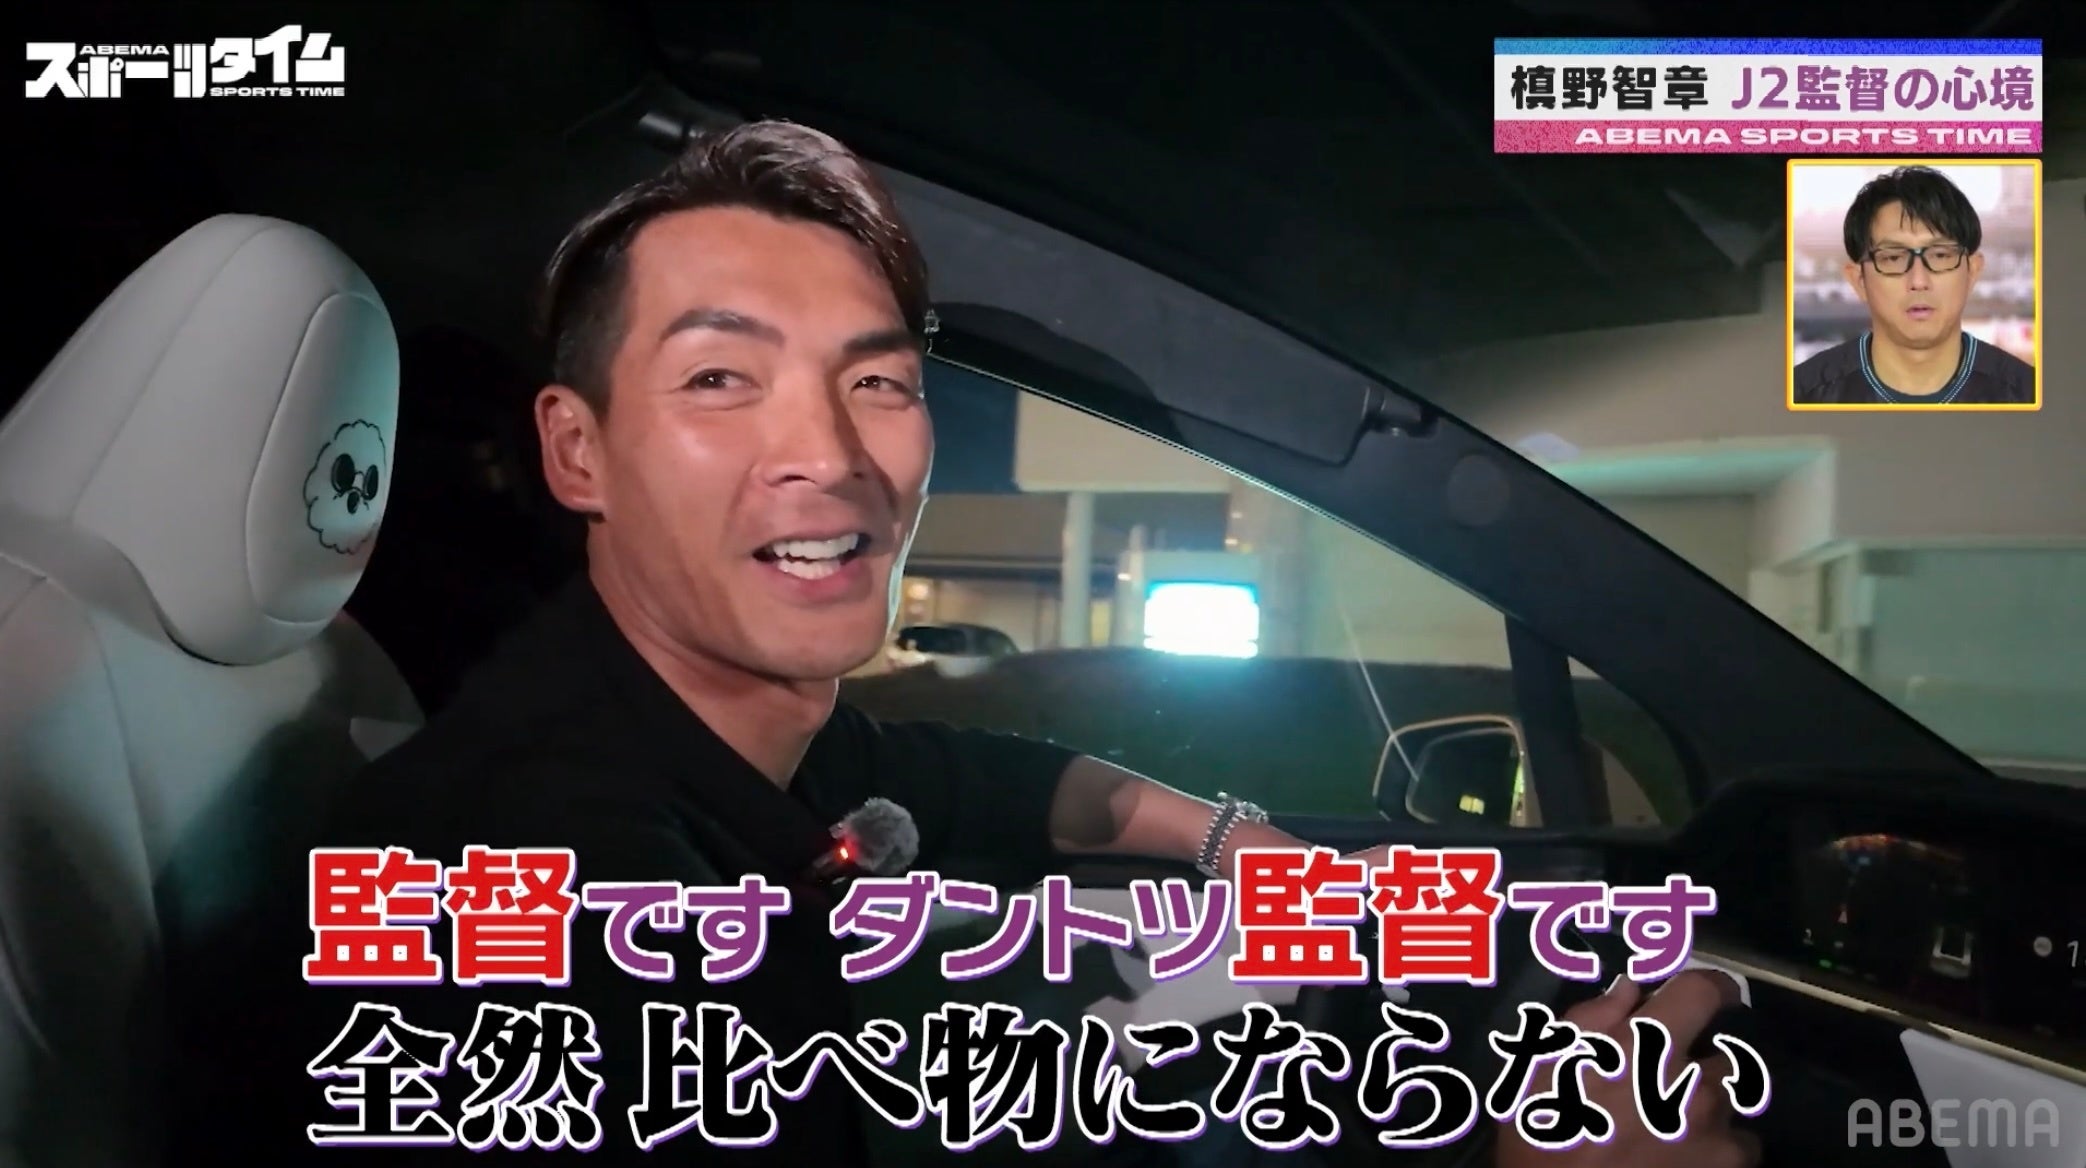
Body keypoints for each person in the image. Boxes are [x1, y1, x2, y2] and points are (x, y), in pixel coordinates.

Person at [188, 121, 1757, 1167]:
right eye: (721, 382)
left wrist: (1228, 844)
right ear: (576, 450)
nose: (830, 454)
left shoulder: (716, 733)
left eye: (875, 382)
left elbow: (974, 780)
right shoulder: (535, 889)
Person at [1793, 165, 2034, 406]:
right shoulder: (1802, 394)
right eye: (1893, 258)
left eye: (1940, 255)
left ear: (1972, 271)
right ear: (1859, 280)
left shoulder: (2028, 394)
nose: (1919, 281)